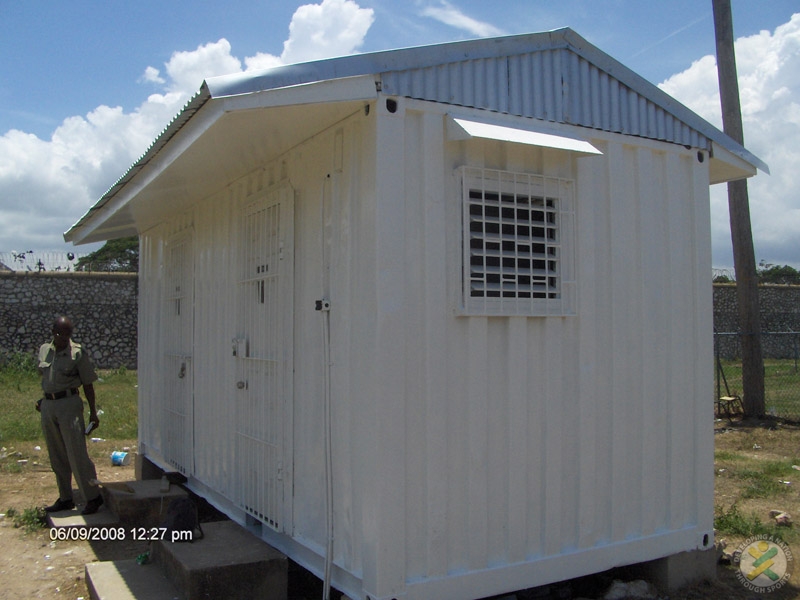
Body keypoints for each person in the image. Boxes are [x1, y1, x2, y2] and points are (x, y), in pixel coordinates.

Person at [37, 316, 104, 515]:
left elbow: (88, 384)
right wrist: (44, 400)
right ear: (53, 333)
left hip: (69, 405)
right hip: (49, 405)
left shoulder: (77, 353)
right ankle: (66, 497)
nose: (64, 338)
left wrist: (93, 412)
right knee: (57, 454)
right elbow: (46, 379)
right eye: (60, 334)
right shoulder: (44, 350)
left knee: (76, 453)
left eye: (68, 335)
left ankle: (93, 497)